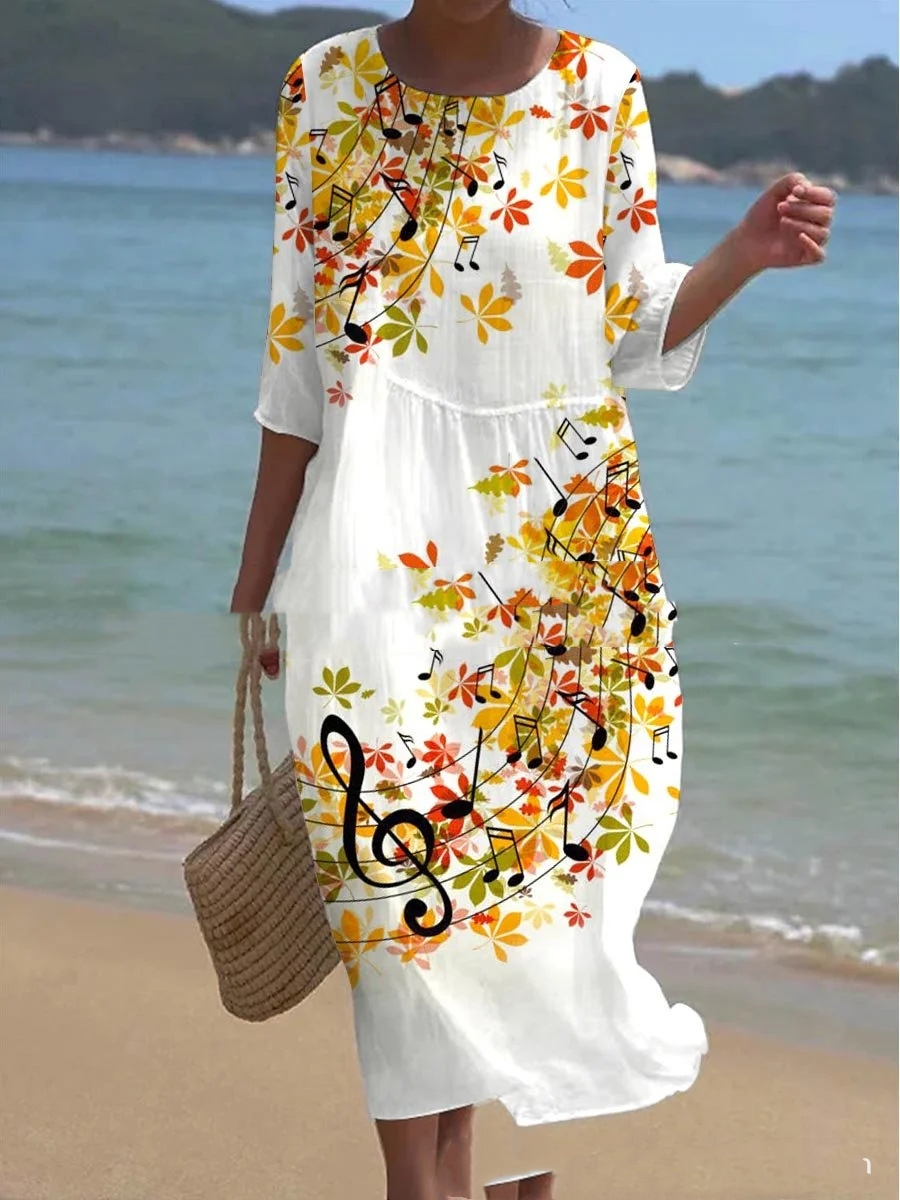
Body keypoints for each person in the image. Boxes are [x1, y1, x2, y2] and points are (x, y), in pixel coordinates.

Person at [230, 3, 836, 1198]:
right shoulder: (324, 85)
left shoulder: (600, 86)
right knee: (391, 886)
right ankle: (422, 1183)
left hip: (562, 564)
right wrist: (255, 584)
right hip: (367, 551)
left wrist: (742, 256)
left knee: (521, 896)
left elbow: (629, 324)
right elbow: (298, 357)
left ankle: (487, 1169)